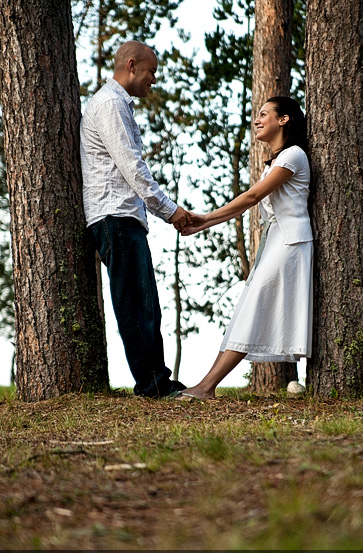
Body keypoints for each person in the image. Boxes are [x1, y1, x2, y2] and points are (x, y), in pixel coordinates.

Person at [178, 97, 312, 399]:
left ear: (284, 120)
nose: (257, 120)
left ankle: (206, 387)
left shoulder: (293, 155)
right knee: (245, 311)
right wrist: (204, 223)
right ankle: (205, 386)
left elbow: (252, 198)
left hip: (291, 242)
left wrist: (204, 219)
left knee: (251, 311)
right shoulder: (277, 161)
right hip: (277, 241)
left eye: (264, 114)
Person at [81, 41, 191, 397]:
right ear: (132, 65)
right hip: (114, 216)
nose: (153, 80)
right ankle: (153, 385)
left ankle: (157, 380)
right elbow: (132, 167)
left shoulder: (117, 104)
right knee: (135, 305)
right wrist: (170, 210)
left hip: (124, 217)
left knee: (145, 305)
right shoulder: (111, 103)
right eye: (151, 72)